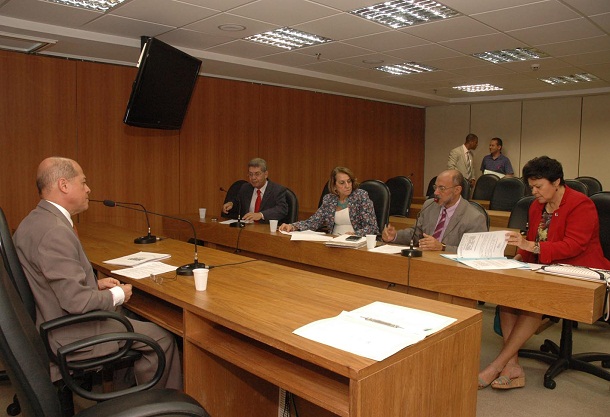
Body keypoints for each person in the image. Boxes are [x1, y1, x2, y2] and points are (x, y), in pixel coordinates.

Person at [14, 157, 182, 389]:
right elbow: (76, 301)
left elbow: (50, 282)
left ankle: (129, 400)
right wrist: (119, 294)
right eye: (83, 182)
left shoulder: (32, 221)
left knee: (129, 318)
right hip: (70, 334)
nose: (88, 189)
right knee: (162, 338)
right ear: (64, 185)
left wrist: (96, 286)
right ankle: (160, 405)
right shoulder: (55, 232)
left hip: (50, 322)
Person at [479, 156, 610, 390]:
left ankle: (497, 364)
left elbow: (574, 246)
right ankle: (513, 365)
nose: (534, 192)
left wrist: (531, 247)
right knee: (506, 297)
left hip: (581, 272)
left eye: (539, 186)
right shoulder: (535, 206)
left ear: (556, 182)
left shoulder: (581, 205)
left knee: (533, 301)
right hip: (545, 269)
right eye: (531, 186)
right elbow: (531, 240)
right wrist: (520, 257)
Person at [382, 169, 486, 252]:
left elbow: (474, 251)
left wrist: (442, 247)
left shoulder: (475, 217)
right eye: (435, 187)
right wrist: (395, 236)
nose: (436, 192)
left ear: (457, 190)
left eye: (442, 188)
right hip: (425, 260)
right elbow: (416, 234)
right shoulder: (429, 205)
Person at [279, 166, 378, 236]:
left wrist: (355, 234)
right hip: (333, 240)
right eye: (342, 183)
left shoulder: (361, 196)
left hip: (356, 242)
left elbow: (372, 227)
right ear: (334, 186)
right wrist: (293, 226)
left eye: (349, 181)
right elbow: (314, 221)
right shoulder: (329, 199)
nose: (347, 186)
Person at [222, 158, 288, 223]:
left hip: (266, 228)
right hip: (247, 227)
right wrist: (231, 204)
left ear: (266, 174)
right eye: (250, 174)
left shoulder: (277, 190)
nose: (253, 178)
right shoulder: (245, 188)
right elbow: (238, 201)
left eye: (257, 174)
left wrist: (260, 215)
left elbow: (282, 209)